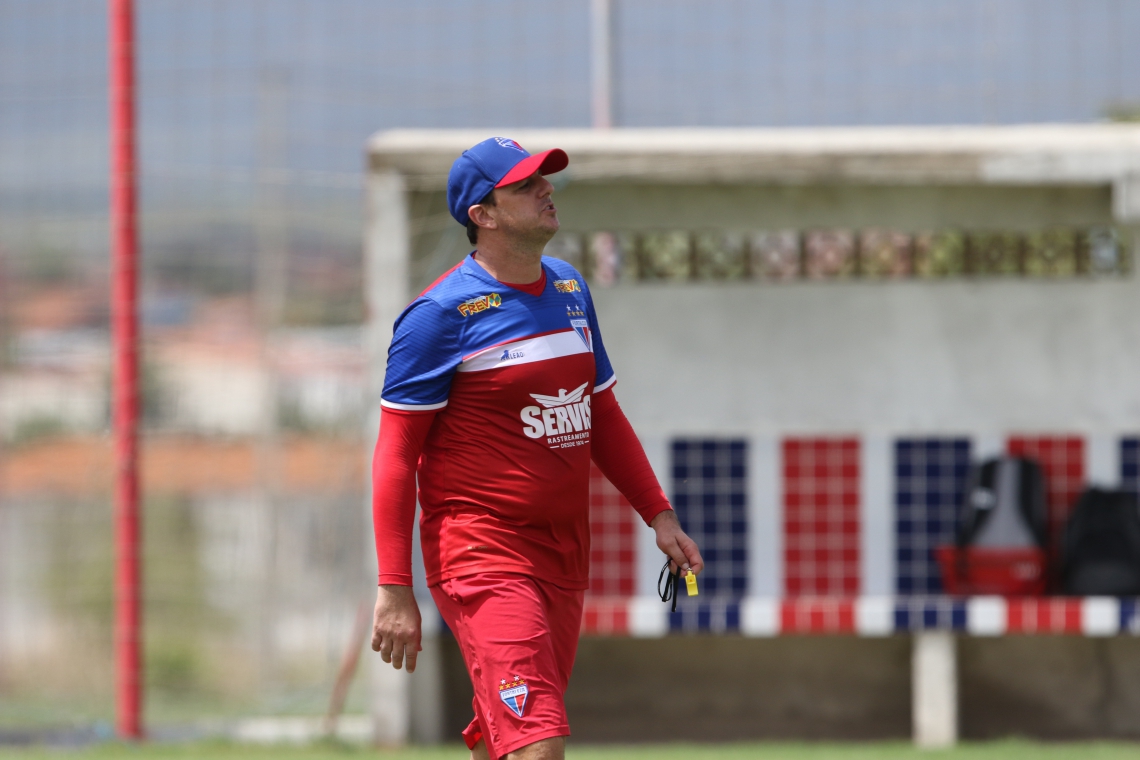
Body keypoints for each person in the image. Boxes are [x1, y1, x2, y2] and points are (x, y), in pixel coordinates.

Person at [370, 136, 704, 760]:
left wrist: (659, 515)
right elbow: (394, 455)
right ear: (484, 215)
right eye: (525, 186)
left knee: (508, 736)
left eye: (544, 179)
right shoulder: (439, 315)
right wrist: (394, 588)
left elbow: (601, 411)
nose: (546, 189)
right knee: (539, 744)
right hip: (482, 552)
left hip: (564, 551)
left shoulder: (570, 288)